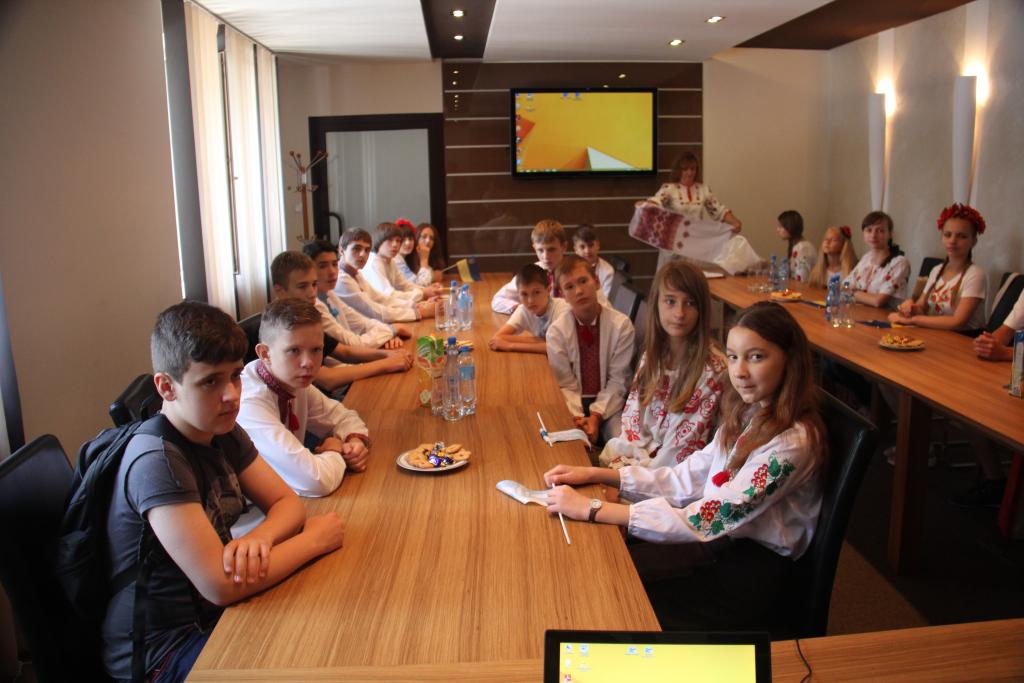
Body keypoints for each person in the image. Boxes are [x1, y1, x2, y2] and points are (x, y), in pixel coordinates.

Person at [544, 301, 825, 630]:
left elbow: (714, 515)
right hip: (720, 545)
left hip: (749, 574)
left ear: (790, 359)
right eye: (733, 357)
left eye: (756, 357)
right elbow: (686, 478)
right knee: (601, 569)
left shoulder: (793, 443)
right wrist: (600, 475)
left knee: (612, 598)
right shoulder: (750, 413)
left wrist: (594, 508)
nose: (739, 371)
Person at [102, 302, 345, 680]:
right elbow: (221, 585)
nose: (231, 394)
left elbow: (286, 502)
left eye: (235, 376)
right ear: (166, 387)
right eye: (210, 382)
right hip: (165, 654)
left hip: (215, 617)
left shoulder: (221, 429)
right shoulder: (157, 462)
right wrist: (313, 540)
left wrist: (261, 538)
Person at [599, 260, 726, 470]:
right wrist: (624, 467)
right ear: (656, 304)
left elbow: (676, 457)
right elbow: (632, 425)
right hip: (639, 464)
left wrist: (624, 475)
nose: (679, 313)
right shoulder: (653, 355)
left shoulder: (712, 372)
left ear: (702, 309)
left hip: (675, 475)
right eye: (670, 301)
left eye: (690, 303)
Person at [237, 298, 371, 497]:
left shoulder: (293, 382)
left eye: (316, 350)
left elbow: (343, 417)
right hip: (256, 513)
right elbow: (314, 481)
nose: (308, 363)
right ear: (265, 353)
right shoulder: (249, 403)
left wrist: (354, 443)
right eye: (294, 350)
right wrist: (334, 451)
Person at [270, 251, 413, 392]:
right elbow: (327, 379)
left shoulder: (305, 316)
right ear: (280, 291)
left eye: (314, 284)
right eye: (302, 287)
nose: (312, 293)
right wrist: (386, 364)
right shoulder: (280, 325)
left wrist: (388, 355)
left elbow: (344, 352)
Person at [546, 255, 635, 444]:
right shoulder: (557, 331)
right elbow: (564, 384)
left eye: (583, 281)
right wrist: (578, 418)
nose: (579, 291)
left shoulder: (621, 326)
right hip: (570, 405)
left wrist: (595, 416)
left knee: (621, 443)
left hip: (611, 406)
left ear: (596, 281)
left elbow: (619, 380)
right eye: (569, 287)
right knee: (564, 443)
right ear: (562, 294)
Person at [888, 204, 988, 331]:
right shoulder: (937, 270)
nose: (952, 241)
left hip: (964, 339)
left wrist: (912, 320)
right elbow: (922, 307)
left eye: (962, 236)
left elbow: (958, 322)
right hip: (937, 334)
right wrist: (910, 307)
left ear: (974, 241)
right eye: (947, 235)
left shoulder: (975, 274)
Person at [301, 240, 410, 350]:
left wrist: (389, 333)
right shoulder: (314, 304)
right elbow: (352, 344)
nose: (332, 272)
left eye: (334, 264)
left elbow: (363, 323)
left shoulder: (329, 293)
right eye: (322, 266)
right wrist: (391, 331)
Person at [491, 219, 610, 314]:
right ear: (534, 248)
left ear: (564, 247)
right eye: (540, 250)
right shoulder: (531, 273)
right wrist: (521, 310)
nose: (546, 256)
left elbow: (604, 308)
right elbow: (498, 300)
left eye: (551, 249)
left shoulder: (578, 271)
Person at [334, 228, 434, 322]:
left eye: (367, 250)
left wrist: (416, 306)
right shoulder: (342, 278)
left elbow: (380, 298)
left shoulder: (356, 273)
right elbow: (373, 311)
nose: (363, 254)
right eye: (356, 248)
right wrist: (419, 311)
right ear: (341, 250)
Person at [644, 152, 742, 232]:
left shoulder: (704, 190)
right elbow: (655, 203)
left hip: (696, 240)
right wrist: (644, 205)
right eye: (685, 169)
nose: (689, 173)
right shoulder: (668, 188)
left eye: (692, 169)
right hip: (673, 241)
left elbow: (719, 211)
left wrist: (735, 222)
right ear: (679, 170)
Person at [488, 263, 570, 354]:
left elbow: (559, 348)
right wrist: (544, 341)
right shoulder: (523, 310)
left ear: (548, 290)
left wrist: (511, 346)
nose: (530, 301)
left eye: (536, 292)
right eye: (524, 294)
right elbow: (498, 337)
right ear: (518, 294)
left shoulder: (563, 310)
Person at [843, 211, 910, 308]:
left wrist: (852, 292)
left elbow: (877, 301)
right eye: (869, 230)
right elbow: (844, 285)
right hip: (860, 312)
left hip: (886, 316)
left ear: (890, 234)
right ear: (863, 233)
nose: (873, 235)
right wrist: (850, 289)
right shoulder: (866, 258)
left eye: (880, 231)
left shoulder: (899, 262)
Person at [361, 222, 441, 302]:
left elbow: (405, 285)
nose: (395, 244)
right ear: (379, 240)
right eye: (390, 240)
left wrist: (426, 289)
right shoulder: (374, 262)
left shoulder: (390, 260)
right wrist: (423, 293)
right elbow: (389, 295)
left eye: (398, 240)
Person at [572, 224, 615, 297]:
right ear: (575, 250)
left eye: (591, 245)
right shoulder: (569, 270)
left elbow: (605, 300)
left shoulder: (608, 272)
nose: (587, 251)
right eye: (582, 247)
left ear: (598, 245)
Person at [776, 210, 817, 284]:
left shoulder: (802, 248)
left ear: (789, 227)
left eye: (780, 227)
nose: (777, 230)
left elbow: (802, 279)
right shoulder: (797, 246)